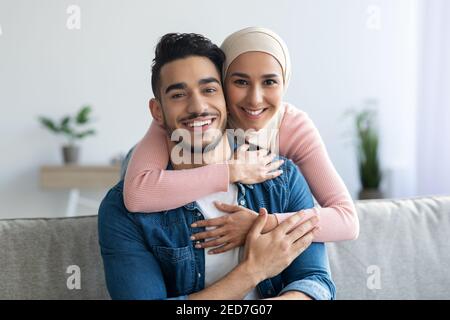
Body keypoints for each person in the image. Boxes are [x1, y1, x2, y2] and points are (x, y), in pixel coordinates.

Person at [98, 33, 335, 300]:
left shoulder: (282, 178)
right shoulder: (123, 211)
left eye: (209, 89)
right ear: (157, 112)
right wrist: (253, 271)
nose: (198, 107)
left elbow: (315, 283)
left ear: (227, 97)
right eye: (178, 94)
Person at [122, 27, 359, 255]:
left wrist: (261, 224)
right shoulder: (196, 117)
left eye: (269, 82)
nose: (255, 100)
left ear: (284, 83)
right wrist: (232, 171)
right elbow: (137, 194)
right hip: (148, 174)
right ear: (222, 84)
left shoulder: (292, 126)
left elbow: (347, 220)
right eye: (241, 82)